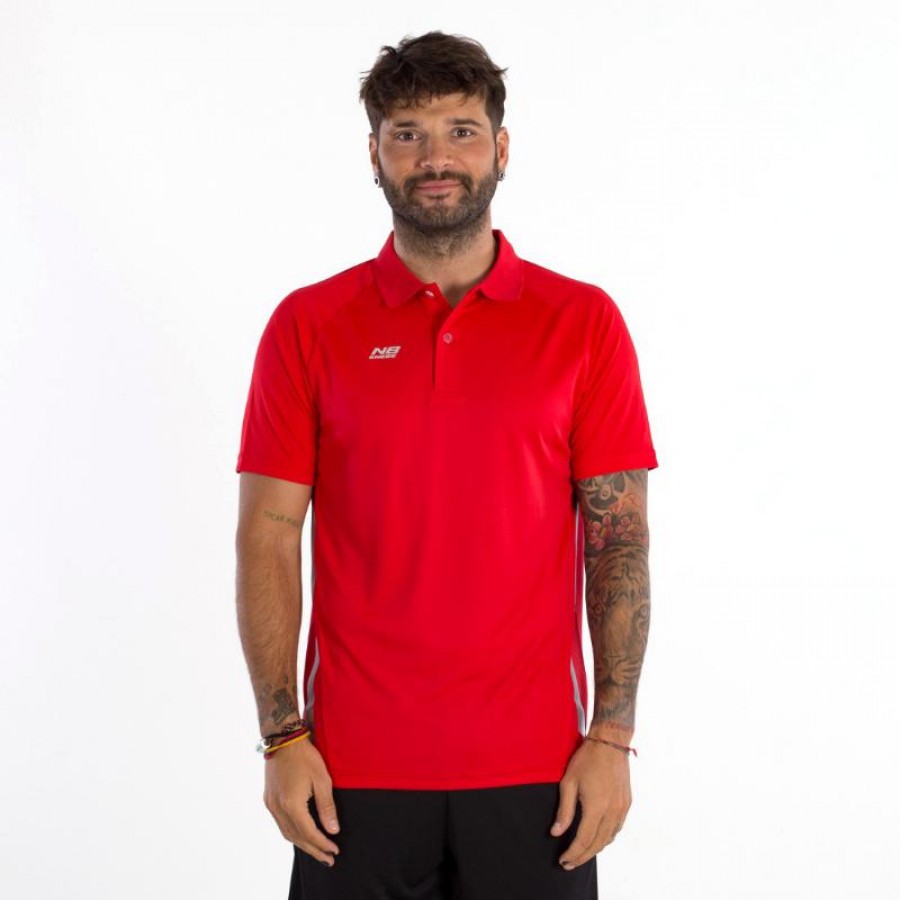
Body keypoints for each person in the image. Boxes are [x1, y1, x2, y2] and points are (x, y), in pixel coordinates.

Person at [234, 30, 658, 900]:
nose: (435, 158)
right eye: (408, 134)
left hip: (541, 773)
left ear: (501, 148)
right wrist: (283, 737)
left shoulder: (584, 323)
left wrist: (612, 738)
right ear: (375, 155)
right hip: (349, 775)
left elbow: (618, 541)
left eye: (460, 131)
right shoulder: (307, 326)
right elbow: (268, 536)